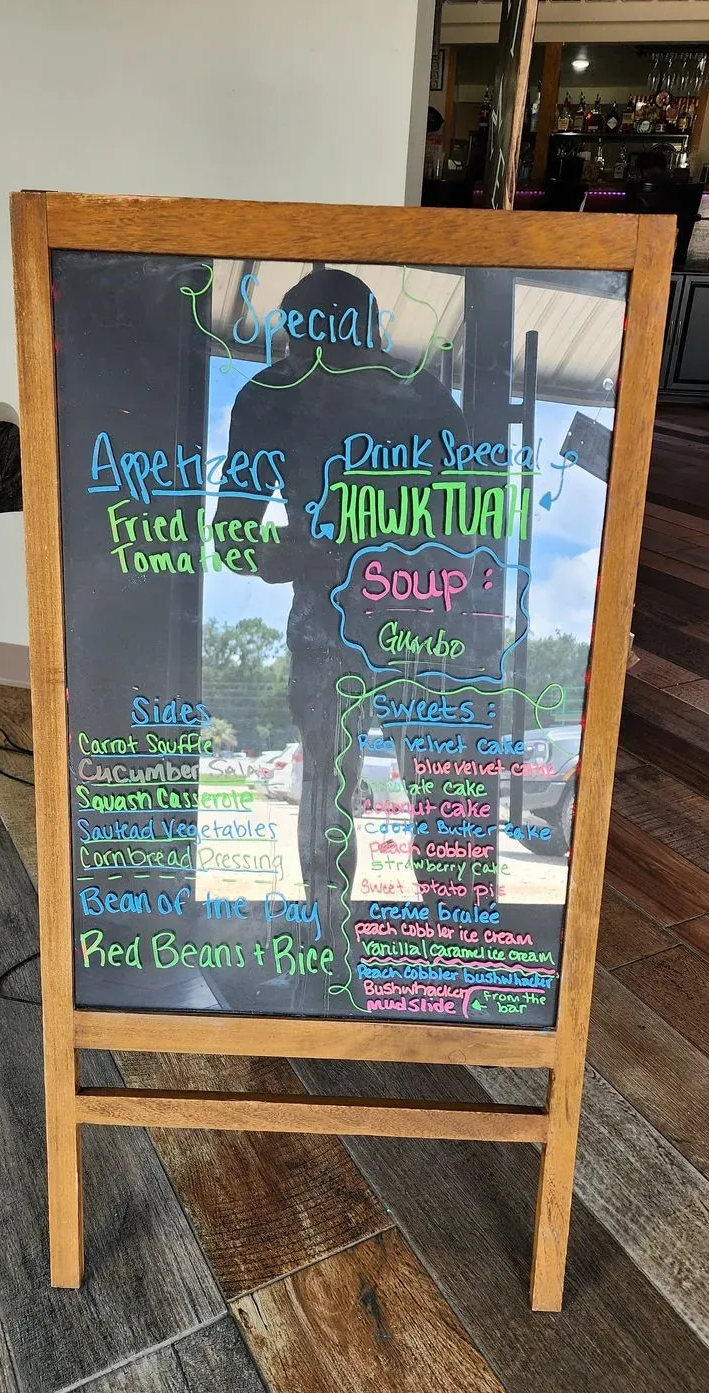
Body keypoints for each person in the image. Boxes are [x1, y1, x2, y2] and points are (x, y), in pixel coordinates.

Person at [214, 267, 471, 957]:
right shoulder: (421, 394)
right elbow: (475, 528)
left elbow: (234, 538)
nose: (300, 355)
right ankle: (449, 942)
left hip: (359, 623)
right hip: (415, 621)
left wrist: (307, 553)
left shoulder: (273, 394)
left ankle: (337, 944)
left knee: (347, 785)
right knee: (419, 785)